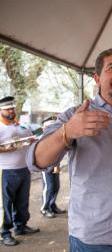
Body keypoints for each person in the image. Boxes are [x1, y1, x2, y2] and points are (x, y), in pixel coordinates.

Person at [26, 48, 112, 251]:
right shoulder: (76, 115)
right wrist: (66, 132)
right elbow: (35, 161)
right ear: (97, 78)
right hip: (92, 240)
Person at [0, 96, 40, 246]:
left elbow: (32, 138)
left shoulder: (20, 125)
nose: (11, 111)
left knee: (22, 201)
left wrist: (32, 140)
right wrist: (5, 149)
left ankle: (20, 226)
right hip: (6, 171)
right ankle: (4, 233)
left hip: (24, 169)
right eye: (7, 109)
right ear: (1, 110)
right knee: (6, 203)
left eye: (12, 108)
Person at [40, 115, 67, 219]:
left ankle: (52, 205)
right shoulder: (42, 139)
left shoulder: (55, 138)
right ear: (44, 128)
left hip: (55, 165)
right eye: (48, 127)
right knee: (48, 187)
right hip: (46, 167)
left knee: (56, 186)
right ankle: (45, 208)